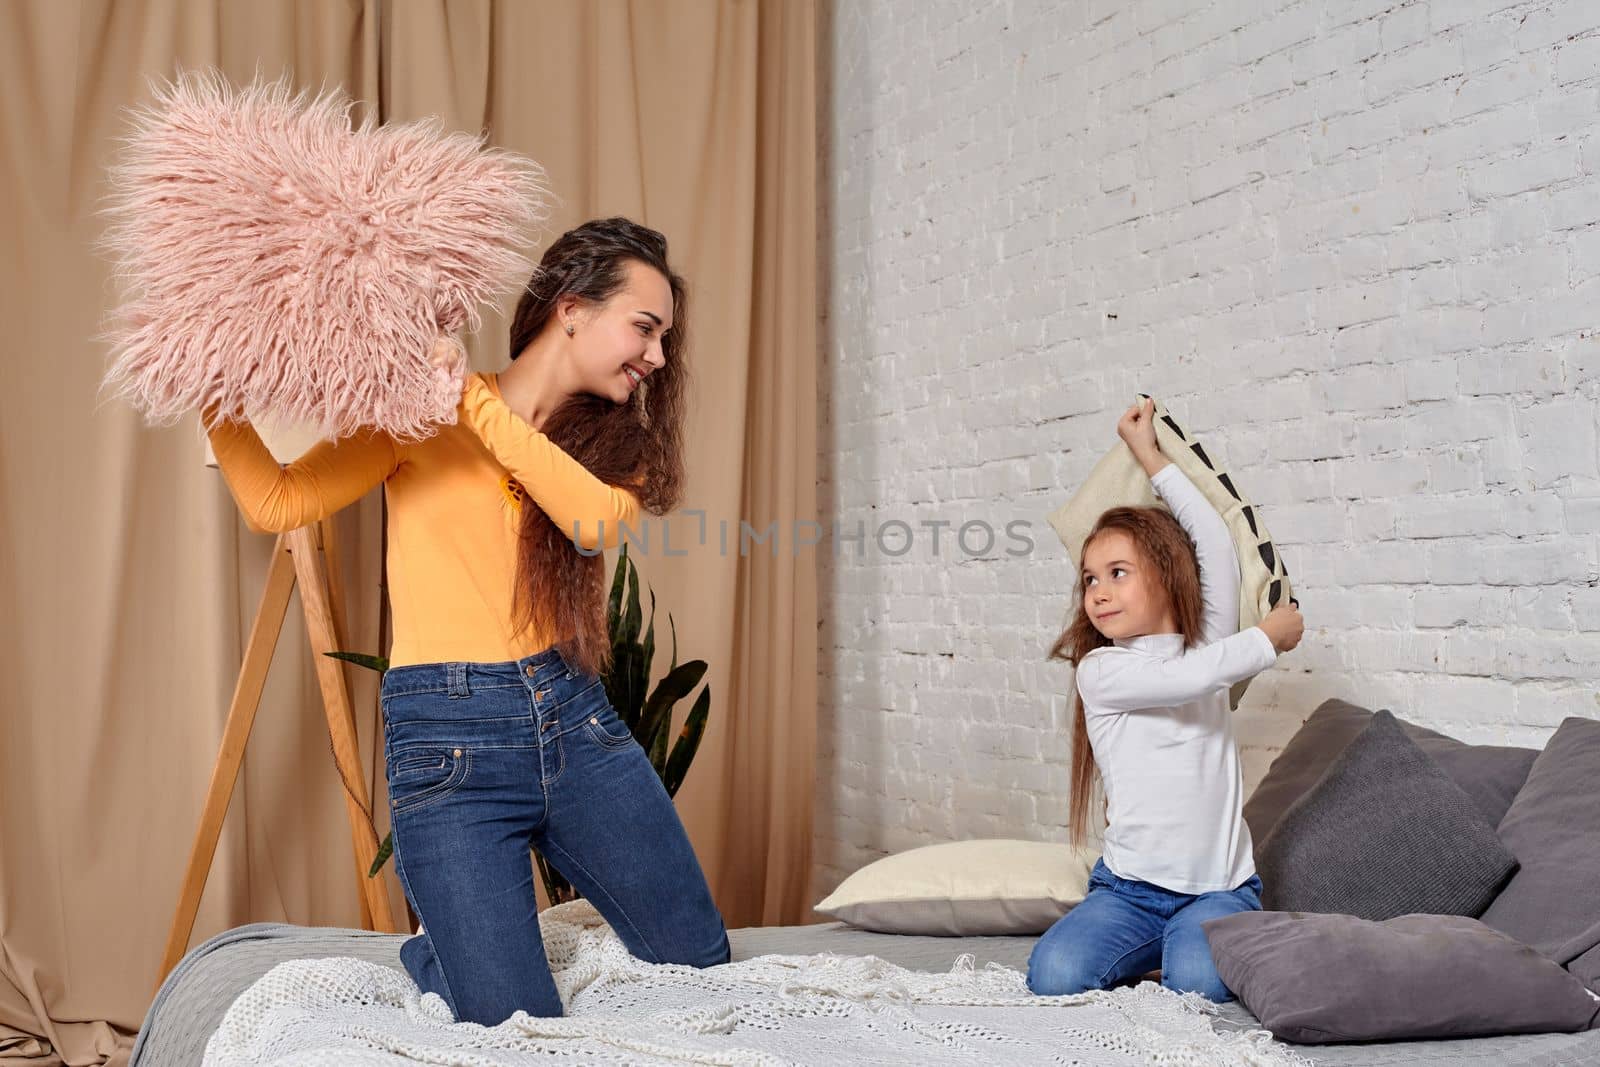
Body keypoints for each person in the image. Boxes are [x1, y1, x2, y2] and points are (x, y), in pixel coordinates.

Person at [204, 217, 729, 1025]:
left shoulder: (617, 445)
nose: (657, 356)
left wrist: (472, 406)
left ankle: (453, 940)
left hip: (574, 720)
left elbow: (589, 523)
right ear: (572, 309)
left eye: (663, 339)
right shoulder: (417, 414)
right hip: (448, 737)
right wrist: (209, 385)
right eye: (646, 328)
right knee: (514, 1024)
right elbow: (277, 500)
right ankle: (444, 948)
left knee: (701, 964)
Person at [1027, 398, 1304, 1003]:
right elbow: (1190, 680)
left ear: (1166, 575)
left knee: (1200, 986)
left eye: (1118, 572)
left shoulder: (1203, 643)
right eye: (1090, 579)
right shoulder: (1102, 671)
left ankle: (1175, 948)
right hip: (1128, 889)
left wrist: (1149, 456)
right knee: (1053, 975)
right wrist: (1266, 639)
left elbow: (1212, 537)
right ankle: (1149, 944)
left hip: (1218, 888)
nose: (1098, 591)